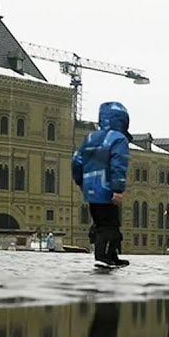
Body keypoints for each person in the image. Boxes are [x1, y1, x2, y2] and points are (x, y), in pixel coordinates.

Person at [73, 101, 131, 268]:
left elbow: (77, 161)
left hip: (91, 188)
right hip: (107, 189)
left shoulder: (91, 137)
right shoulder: (118, 139)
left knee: (101, 223)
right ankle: (103, 257)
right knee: (110, 226)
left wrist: (81, 182)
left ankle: (112, 256)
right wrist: (117, 189)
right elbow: (118, 165)